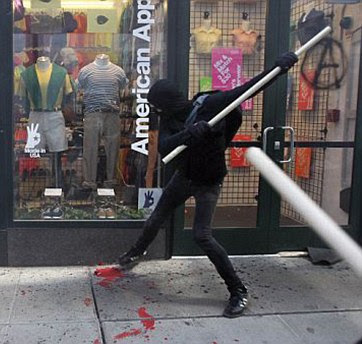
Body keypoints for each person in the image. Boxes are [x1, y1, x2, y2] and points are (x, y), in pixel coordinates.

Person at [117, 52, 299, 318]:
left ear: (165, 103)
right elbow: (166, 146)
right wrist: (187, 134)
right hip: (184, 177)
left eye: (156, 106)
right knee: (155, 218)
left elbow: (247, 90)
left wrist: (278, 68)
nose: (155, 111)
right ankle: (135, 253)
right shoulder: (169, 119)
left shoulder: (211, 104)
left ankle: (238, 291)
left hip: (208, 181)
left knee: (202, 235)